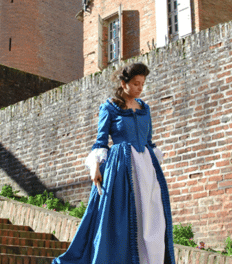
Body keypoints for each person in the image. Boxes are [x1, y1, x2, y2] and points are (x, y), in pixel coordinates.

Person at [53, 62, 175, 264]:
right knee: (121, 219)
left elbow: (149, 141)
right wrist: (96, 167)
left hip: (146, 169)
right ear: (123, 83)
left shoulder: (145, 109)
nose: (140, 88)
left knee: (152, 219)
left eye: (142, 84)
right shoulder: (110, 107)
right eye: (136, 83)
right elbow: (100, 141)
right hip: (120, 168)